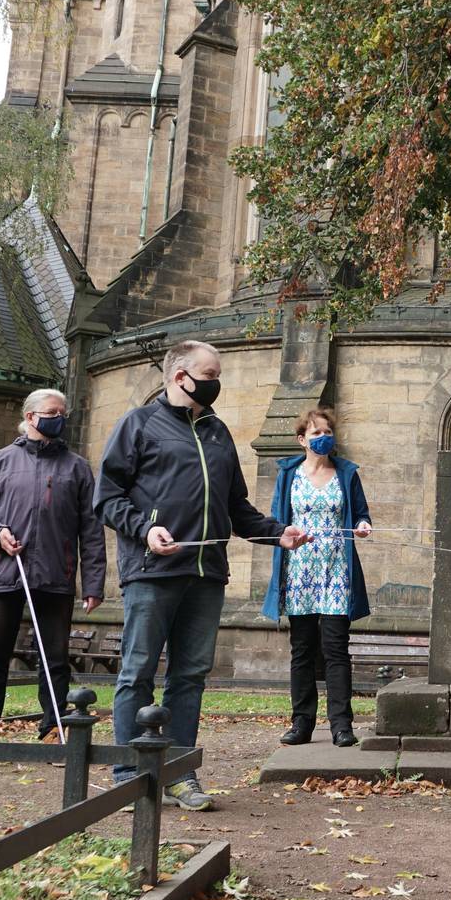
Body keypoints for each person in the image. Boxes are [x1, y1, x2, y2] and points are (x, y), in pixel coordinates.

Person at [95, 340, 306, 810]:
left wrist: (278, 534)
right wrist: (145, 530)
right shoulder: (139, 424)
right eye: (209, 373)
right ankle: (130, 772)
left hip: (206, 575)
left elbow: (235, 508)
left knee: (190, 676)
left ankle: (179, 773)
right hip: (152, 572)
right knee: (138, 672)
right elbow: (107, 498)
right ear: (179, 376)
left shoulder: (218, 432)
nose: (216, 383)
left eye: (218, 374)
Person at [0, 388, 108, 766]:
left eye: (64, 413)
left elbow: (91, 528)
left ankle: (55, 732)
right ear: (31, 416)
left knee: (54, 659)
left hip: (56, 576)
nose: (60, 418)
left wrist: (94, 583)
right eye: (53, 412)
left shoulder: (78, 468)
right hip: (4, 574)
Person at [262, 408, 374, 748]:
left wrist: (364, 525)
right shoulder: (289, 475)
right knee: (303, 650)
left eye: (327, 432)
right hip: (299, 571)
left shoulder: (346, 473)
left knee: (336, 649)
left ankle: (341, 725)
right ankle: (302, 723)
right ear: (302, 440)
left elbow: (362, 513)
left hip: (337, 570)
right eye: (315, 433)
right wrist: (283, 533)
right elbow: (276, 520)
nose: (322, 437)